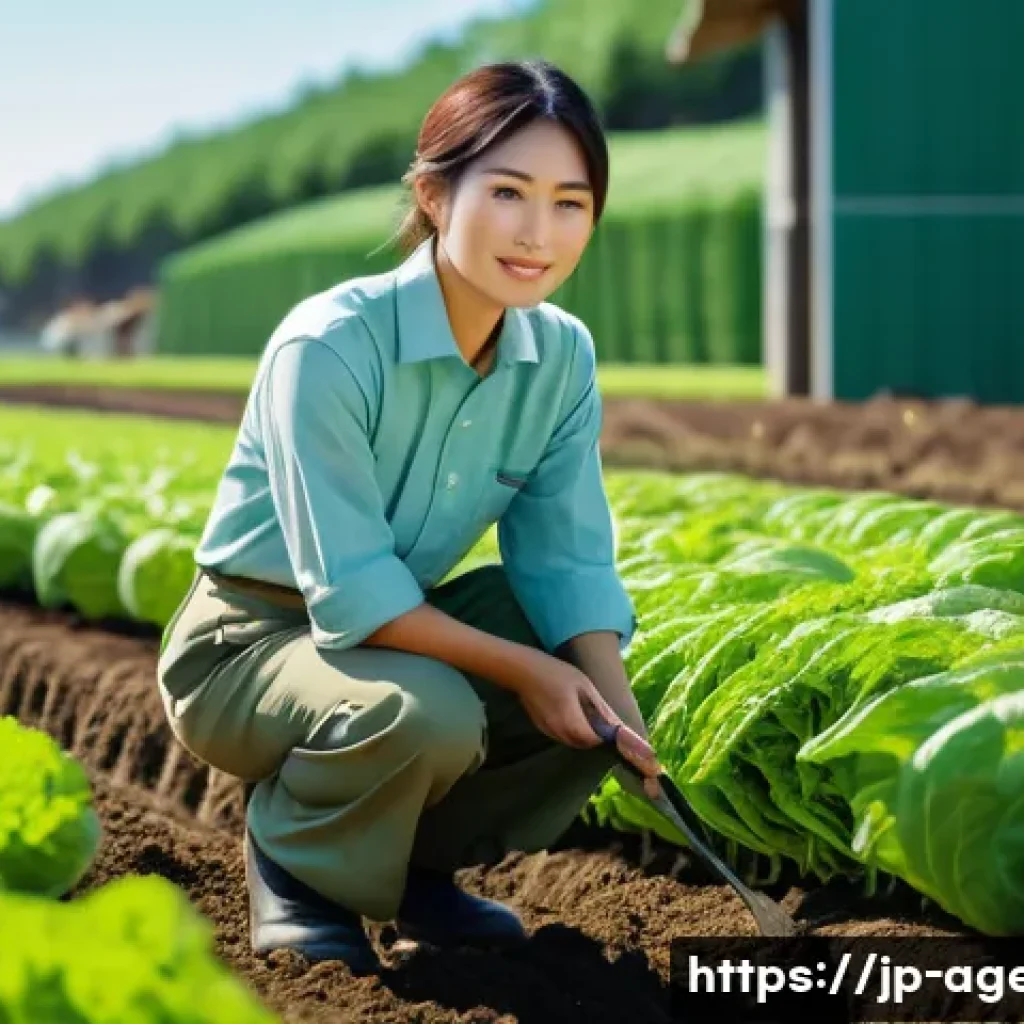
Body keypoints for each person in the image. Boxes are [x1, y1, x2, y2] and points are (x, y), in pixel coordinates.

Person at [156, 58, 664, 976]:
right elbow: (354, 598)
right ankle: (301, 869)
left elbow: (568, 563)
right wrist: (525, 673)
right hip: (248, 644)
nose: (537, 233)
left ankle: (412, 871)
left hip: (396, 634)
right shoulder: (330, 346)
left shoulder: (561, 357)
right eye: (507, 193)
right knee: (429, 713)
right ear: (433, 195)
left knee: (591, 674)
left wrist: (623, 719)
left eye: (570, 203)